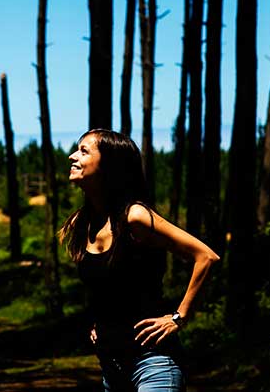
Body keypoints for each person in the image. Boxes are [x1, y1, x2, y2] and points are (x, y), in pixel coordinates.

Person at [61, 128, 220, 392]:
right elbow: (105, 285)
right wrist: (96, 322)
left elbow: (206, 256)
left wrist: (179, 317)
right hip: (111, 370)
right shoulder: (84, 221)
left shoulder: (134, 217)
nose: (72, 156)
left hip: (153, 364)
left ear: (110, 165)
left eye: (83, 151)